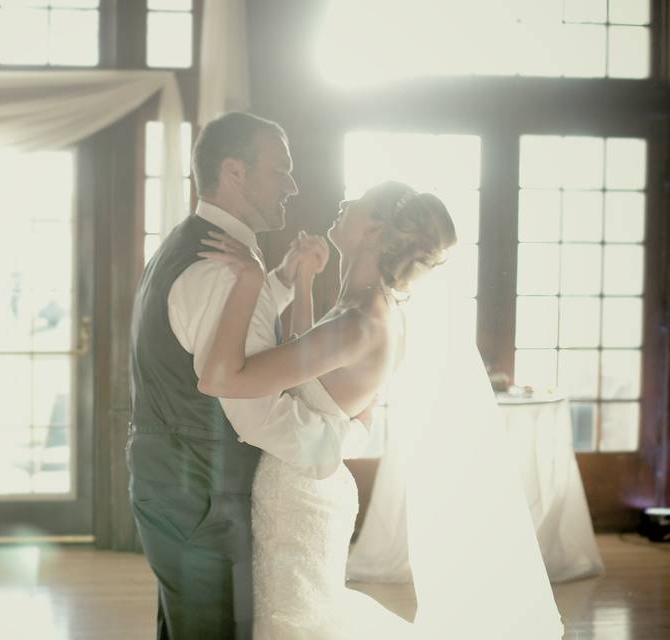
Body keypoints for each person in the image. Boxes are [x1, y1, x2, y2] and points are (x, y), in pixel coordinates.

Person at [198, 181, 565, 639]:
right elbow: (310, 373)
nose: (343, 203)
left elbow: (222, 379)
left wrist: (253, 281)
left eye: (358, 201)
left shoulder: (359, 321)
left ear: (373, 229)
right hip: (307, 484)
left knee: (291, 625)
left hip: (297, 495)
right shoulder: (367, 306)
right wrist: (305, 281)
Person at [126, 112, 373, 639]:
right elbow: (255, 411)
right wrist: (333, 445)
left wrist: (282, 279)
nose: (293, 185)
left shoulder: (194, 245)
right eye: (280, 169)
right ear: (234, 172)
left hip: (174, 483)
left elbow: (231, 336)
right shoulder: (221, 269)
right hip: (202, 493)